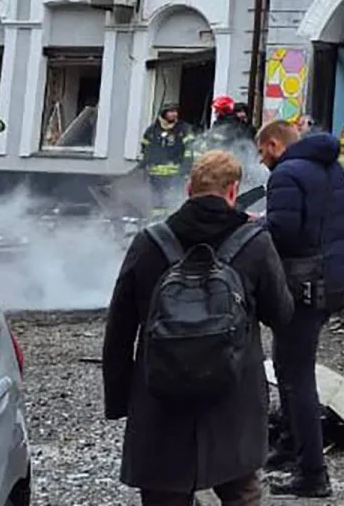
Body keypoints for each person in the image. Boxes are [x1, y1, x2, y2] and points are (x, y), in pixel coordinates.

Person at [102, 149, 294, 506]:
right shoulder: (254, 243)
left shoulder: (149, 243)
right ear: (233, 191)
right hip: (233, 398)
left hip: (161, 399)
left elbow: (119, 330)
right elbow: (281, 315)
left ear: (189, 189)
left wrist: (121, 399)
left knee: (164, 495)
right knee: (241, 493)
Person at [257, 119, 344, 499]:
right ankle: (289, 446)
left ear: (275, 144)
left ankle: (312, 474)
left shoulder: (285, 174)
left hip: (302, 285)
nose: (261, 159)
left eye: (262, 151)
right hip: (330, 282)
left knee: (296, 378)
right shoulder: (332, 168)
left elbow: (283, 232)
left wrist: (253, 227)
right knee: (289, 368)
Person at [140, 104, 194, 219]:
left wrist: (186, 168)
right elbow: (145, 148)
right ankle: (157, 221)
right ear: (164, 113)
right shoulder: (152, 130)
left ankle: (172, 221)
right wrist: (144, 166)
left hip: (175, 174)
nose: (174, 114)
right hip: (155, 175)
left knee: (172, 200)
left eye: (176, 111)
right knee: (157, 202)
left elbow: (190, 149)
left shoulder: (183, 129)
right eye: (171, 111)